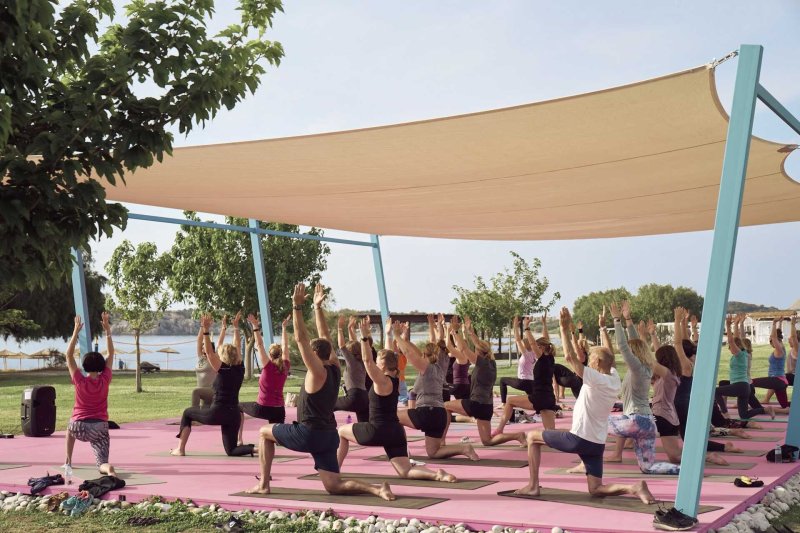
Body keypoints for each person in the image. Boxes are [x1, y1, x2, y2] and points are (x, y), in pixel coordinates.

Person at [247, 283, 394, 500]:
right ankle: (377, 489)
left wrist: (297, 307)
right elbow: (324, 335)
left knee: (264, 432)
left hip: (310, 434)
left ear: (314, 355)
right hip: (329, 436)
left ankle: (264, 485)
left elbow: (301, 339)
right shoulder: (335, 366)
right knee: (334, 485)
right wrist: (317, 308)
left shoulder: (317, 371)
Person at [514, 307, 655, 506]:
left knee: (532, 437)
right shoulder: (613, 377)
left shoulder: (595, 379)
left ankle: (533, 486)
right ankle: (634, 488)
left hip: (579, 439)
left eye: (592, 358)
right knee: (596, 489)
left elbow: (571, 358)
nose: (589, 361)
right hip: (596, 444)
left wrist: (563, 330)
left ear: (596, 362)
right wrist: (604, 326)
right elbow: (609, 356)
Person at [338, 317, 457, 482]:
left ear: (382, 366)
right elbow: (389, 355)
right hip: (396, 433)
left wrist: (364, 338)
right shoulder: (395, 377)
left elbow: (367, 361)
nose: (375, 362)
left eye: (378, 362)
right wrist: (389, 334)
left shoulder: (381, 381)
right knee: (405, 471)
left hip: (377, 431)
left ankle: (333, 470)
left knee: (341, 432)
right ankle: (437, 475)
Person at [604, 301, 680, 475]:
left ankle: (586, 463)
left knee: (594, 422)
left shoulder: (638, 369)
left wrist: (616, 320)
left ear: (635, 354)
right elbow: (634, 343)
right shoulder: (643, 367)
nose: (627, 355)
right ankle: (685, 470)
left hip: (636, 421)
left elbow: (624, 346)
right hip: (647, 424)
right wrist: (628, 319)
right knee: (648, 467)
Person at [172, 312, 256, 457]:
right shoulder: (240, 368)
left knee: (187, 413)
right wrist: (235, 328)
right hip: (234, 414)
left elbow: (210, 353)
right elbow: (236, 346)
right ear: (236, 355)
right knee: (231, 450)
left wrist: (205, 330)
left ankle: (180, 449)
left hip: (217, 413)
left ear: (223, 356)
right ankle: (257, 449)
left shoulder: (223, 369)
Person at [396, 316, 479, 460]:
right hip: (439, 415)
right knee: (433, 453)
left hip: (427, 413)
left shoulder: (426, 367)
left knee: (391, 417)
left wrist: (396, 335)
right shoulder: (441, 365)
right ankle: (464, 448)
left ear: (426, 355)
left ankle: (401, 453)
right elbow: (420, 348)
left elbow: (409, 353)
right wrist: (436, 327)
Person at [442, 317, 525, 446]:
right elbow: (478, 345)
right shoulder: (492, 362)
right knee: (487, 441)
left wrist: (456, 332)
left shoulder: (482, 363)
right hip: (487, 407)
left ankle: (441, 440)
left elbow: (463, 348)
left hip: (476, 404)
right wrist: (470, 332)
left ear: (478, 352)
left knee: (445, 406)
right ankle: (517, 436)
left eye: (476, 350)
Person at [65, 313, 117, 476]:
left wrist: (75, 332)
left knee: (69, 426)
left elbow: (68, 355)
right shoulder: (105, 379)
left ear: (85, 366)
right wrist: (107, 330)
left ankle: (68, 461)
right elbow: (111, 352)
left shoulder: (79, 380)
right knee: (102, 463)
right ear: (101, 366)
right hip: (99, 428)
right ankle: (108, 469)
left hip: (78, 427)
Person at [494, 315, 559, 434]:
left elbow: (533, 344)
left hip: (539, 397)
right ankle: (575, 435)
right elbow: (545, 339)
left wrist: (526, 327)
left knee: (509, 401)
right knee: (551, 432)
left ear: (542, 348)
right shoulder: (551, 358)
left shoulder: (542, 358)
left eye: (539, 347)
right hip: (549, 398)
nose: (536, 348)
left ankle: (499, 429)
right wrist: (544, 324)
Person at [237, 313, 291, 445]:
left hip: (262, 408)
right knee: (278, 439)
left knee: (236, 406)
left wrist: (255, 326)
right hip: (279, 410)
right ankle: (279, 439)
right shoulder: (285, 366)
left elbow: (259, 345)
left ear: (270, 354)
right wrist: (283, 329)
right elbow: (285, 347)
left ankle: (239, 439)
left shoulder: (267, 366)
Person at [715, 315, 774, 421]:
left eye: (730, 348)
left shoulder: (739, 354)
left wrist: (728, 326)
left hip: (740, 385)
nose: (730, 350)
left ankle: (725, 413)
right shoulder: (745, 353)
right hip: (745, 387)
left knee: (716, 391)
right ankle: (765, 410)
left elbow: (732, 341)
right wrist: (737, 324)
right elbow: (738, 339)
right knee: (744, 415)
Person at [334, 314, 370, 423]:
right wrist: (350, 328)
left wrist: (340, 329)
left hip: (354, 397)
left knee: (328, 404)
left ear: (350, 353)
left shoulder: (352, 362)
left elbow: (342, 346)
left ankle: (326, 430)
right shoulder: (362, 360)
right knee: (364, 425)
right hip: (365, 398)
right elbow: (356, 344)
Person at [753, 316, 791, 408]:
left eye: (771, 338)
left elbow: (774, 337)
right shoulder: (781, 346)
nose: (770, 339)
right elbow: (777, 335)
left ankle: (755, 407)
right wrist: (780, 324)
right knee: (785, 405)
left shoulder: (779, 349)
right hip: (780, 382)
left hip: (777, 380)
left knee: (750, 382)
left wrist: (774, 323)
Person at [499, 316, 536, 404]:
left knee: (502, 380)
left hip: (523, 382)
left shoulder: (526, 354)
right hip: (531, 383)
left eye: (523, 344)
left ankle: (503, 403)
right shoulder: (536, 353)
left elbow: (518, 340)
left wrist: (515, 326)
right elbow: (531, 342)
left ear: (525, 346)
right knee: (535, 401)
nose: (520, 346)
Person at [192, 316, 226, 408]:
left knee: (195, 392)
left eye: (205, 346)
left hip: (212, 391)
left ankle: (193, 415)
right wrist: (202, 326)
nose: (202, 347)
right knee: (204, 415)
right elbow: (199, 340)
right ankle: (197, 417)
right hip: (203, 394)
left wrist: (223, 328)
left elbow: (220, 343)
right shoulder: (201, 358)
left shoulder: (215, 357)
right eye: (202, 346)